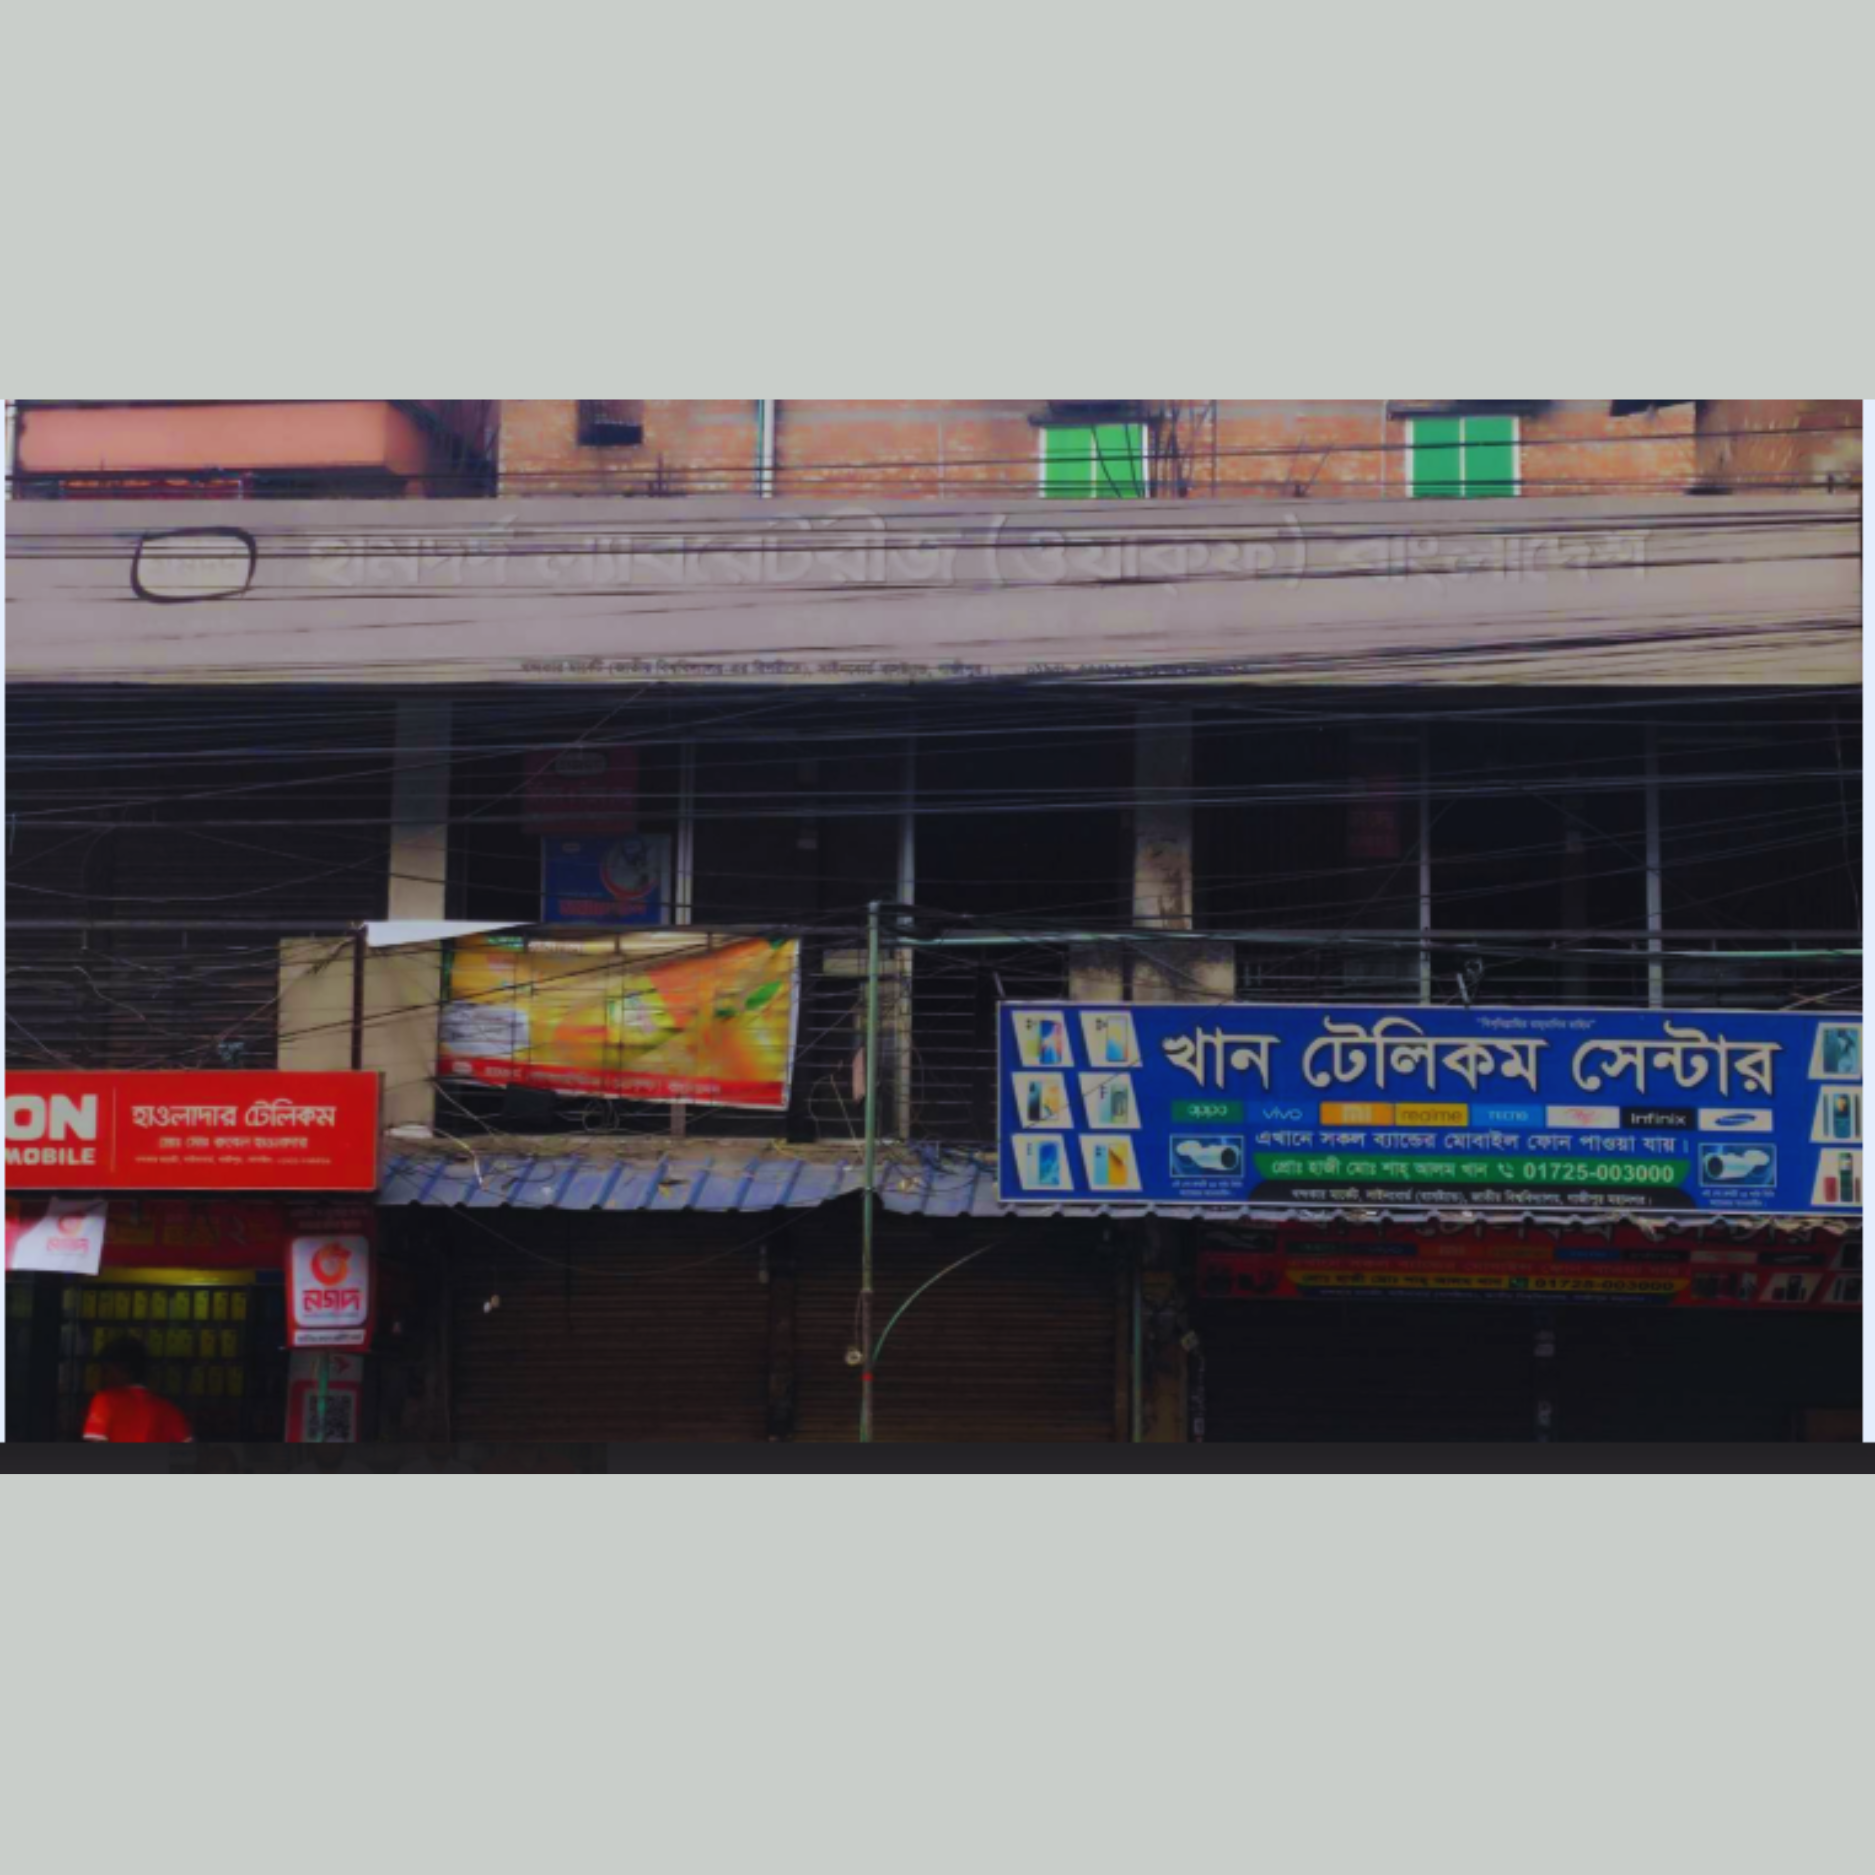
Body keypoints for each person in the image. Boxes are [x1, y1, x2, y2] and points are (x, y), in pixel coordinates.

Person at [83, 1338, 193, 1444]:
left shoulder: (104, 1401)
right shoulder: (169, 1409)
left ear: (122, 1369)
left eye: (106, 1370)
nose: (102, 1377)